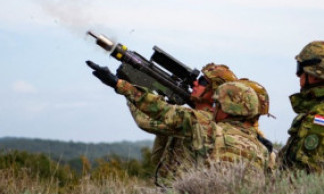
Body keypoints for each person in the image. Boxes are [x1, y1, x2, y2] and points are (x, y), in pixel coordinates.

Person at [91, 68, 270, 176]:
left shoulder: (205, 125)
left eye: (218, 104)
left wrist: (121, 85)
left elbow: (161, 110)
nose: (215, 108)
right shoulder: (263, 148)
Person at [142, 63, 238, 186]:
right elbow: (157, 159)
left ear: (216, 91)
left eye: (203, 82)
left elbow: (145, 122)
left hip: (186, 192)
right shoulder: (193, 117)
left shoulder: (203, 121)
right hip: (171, 189)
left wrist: (128, 86)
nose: (195, 84)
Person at [278, 41, 324, 172]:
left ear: (315, 75)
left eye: (300, 69)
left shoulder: (318, 118)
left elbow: (302, 172)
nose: (298, 76)